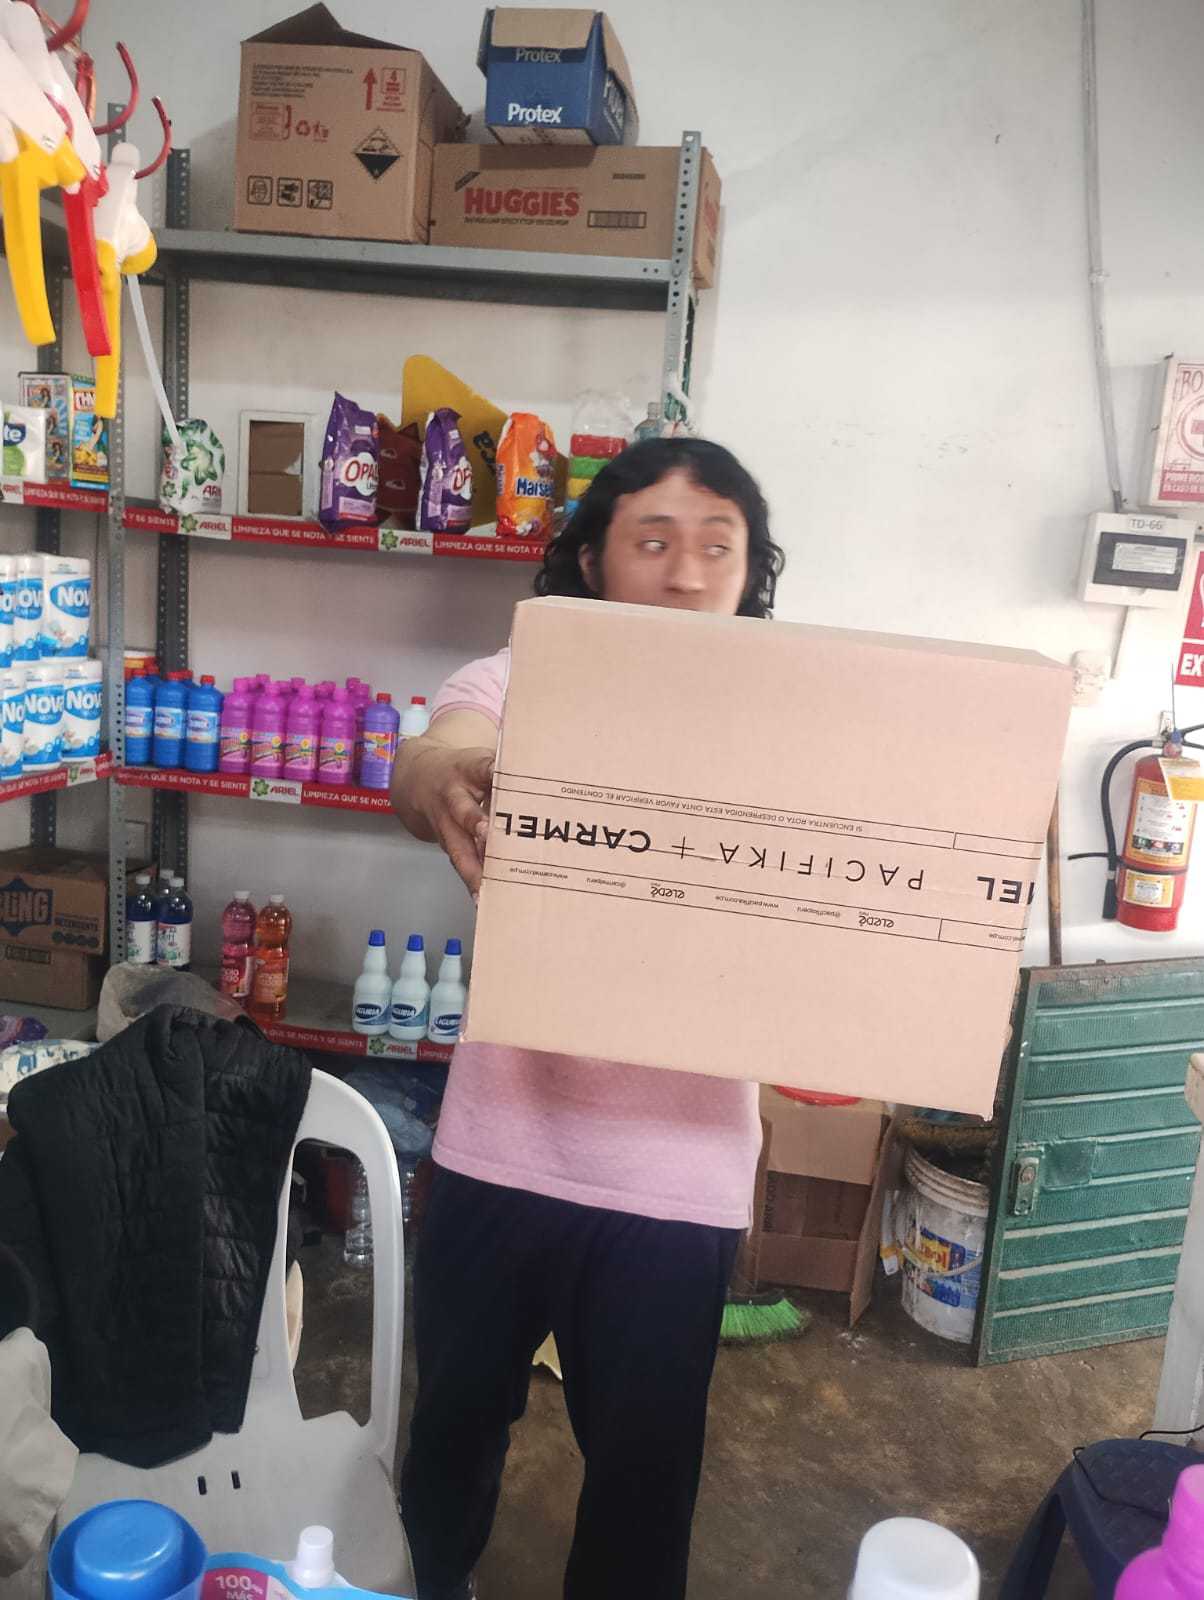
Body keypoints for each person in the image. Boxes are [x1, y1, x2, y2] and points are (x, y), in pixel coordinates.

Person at [392, 437, 785, 1600]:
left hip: (678, 1174)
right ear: (592, 562)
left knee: (643, 1476)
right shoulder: (527, 676)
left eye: (717, 545)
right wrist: (447, 779)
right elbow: (438, 748)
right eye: (652, 540)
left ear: (750, 571)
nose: (685, 571)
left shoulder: (790, 718)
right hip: (502, 1142)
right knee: (451, 1427)